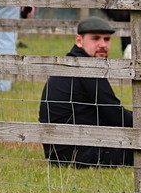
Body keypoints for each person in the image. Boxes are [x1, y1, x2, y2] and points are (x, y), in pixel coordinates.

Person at [38, 17, 134, 167]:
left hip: (61, 151)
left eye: (107, 39)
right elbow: (115, 115)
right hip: (79, 153)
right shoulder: (86, 68)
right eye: (95, 39)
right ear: (79, 40)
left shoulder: (72, 63)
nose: (103, 44)